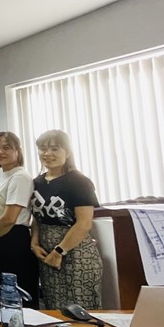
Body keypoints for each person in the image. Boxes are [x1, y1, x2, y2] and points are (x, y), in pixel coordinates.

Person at [31, 130, 102, 308]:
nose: (48, 154)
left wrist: (59, 252)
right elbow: (37, 218)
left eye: (55, 149)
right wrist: (34, 243)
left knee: (81, 310)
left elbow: (84, 223)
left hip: (75, 254)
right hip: (47, 256)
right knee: (54, 309)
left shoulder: (79, 182)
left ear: (68, 152)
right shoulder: (37, 182)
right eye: (43, 149)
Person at [0, 131, 39, 306]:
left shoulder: (19, 176)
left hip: (15, 239)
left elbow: (9, 218)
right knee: (8, 294)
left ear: (17, 151)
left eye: (6, 147)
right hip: (3, 238)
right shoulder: (6, 175)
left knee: (19, 293)